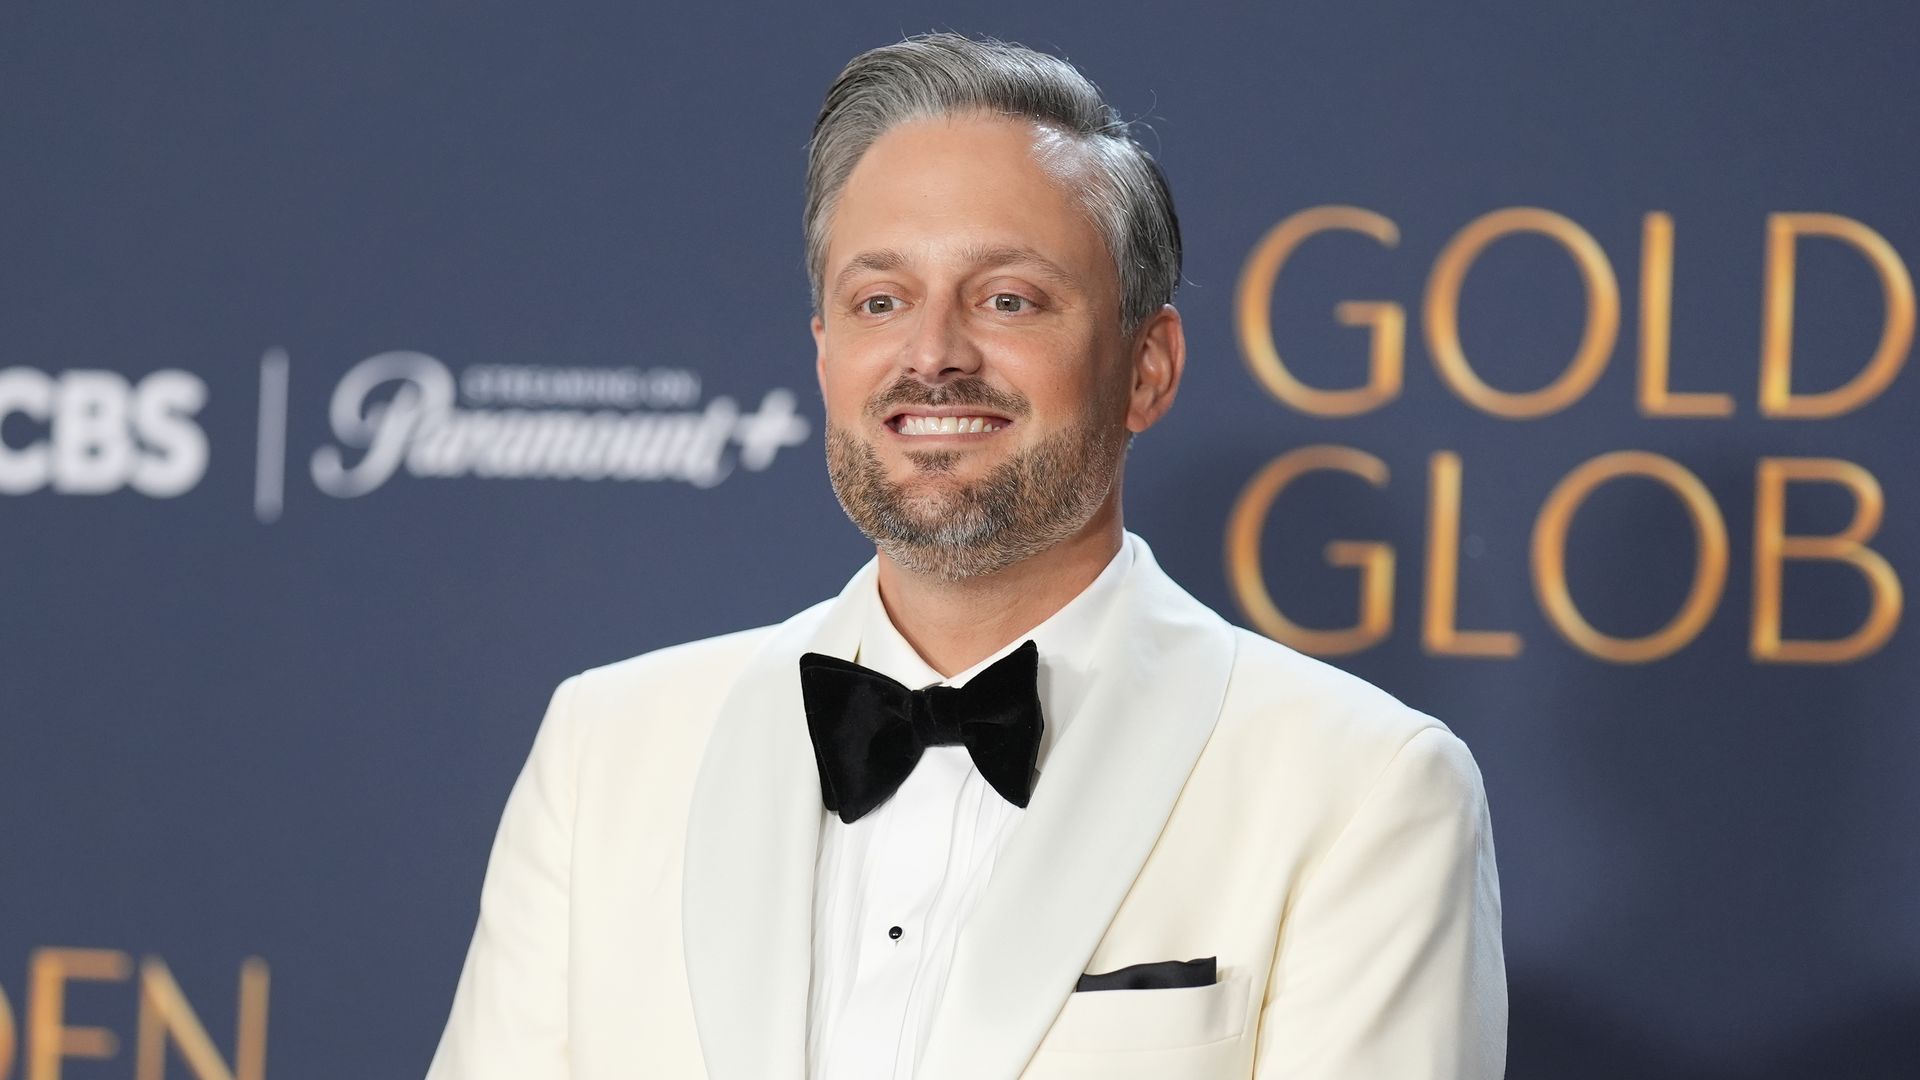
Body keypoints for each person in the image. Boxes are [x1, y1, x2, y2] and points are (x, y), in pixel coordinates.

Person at [425, 31, 1505, 1080]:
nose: (933, 355)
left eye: (1007, 299)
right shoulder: (607, 750)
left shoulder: (1363, 788)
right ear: (825, 355)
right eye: (880, 301)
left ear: (1148, 368)